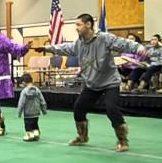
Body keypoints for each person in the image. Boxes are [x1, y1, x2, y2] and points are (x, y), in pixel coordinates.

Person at [35, 13, 146, 152]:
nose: (76, 28)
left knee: (112, 109)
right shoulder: (79, 43)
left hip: (110, 82)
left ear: (88, 25)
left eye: (78, 24)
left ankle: (123, 141)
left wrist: (139, 48)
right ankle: (82, 137)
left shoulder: (104, 38)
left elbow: (124, 43)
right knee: (78, 109)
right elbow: (65, 48)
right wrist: (47, 48)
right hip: (92, 84)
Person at [18, 73, 47, 142]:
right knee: (35, 123)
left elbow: (21, 103)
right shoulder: (37, 90)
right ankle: (36, 133)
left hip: (28, 113)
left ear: (23, 83)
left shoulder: (24, 92)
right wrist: (44, 110)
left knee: (28, 124)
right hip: (36, 112)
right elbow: (42, 101)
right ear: (32, 81)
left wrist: (19, 112)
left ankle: (29, 134)